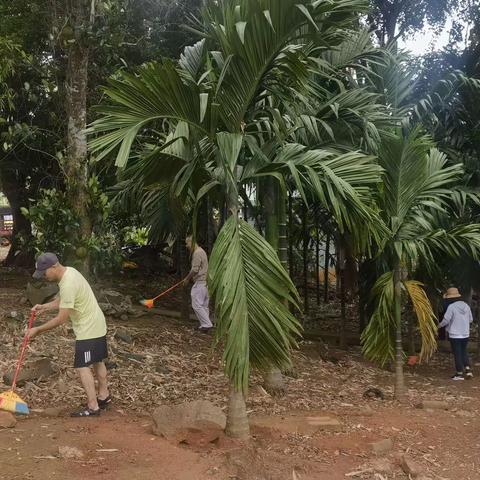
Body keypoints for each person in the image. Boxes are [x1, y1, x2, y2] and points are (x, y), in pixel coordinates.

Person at [26, 252, 111, 416]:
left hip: (88, 330)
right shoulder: (70, 272)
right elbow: (65, 300)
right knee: (97, 360)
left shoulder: (68, 283)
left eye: (44, 272)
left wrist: (37, 329)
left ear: (54, 266)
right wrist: (44, 307)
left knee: (82, 365)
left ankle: (93, 407)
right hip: (97, 324)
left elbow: (61, 319)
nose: (43, 276)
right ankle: (104, 395)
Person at [437, 287, 474, 381]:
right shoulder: (466, 306)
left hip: (455, 334)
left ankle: (459, 374)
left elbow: (446, 320)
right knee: (463, 351)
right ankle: (468, 370)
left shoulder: (451, 307)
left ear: (450, 298)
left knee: (457, 353)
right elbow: (471, 320)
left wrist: (439, 326)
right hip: (465, 333)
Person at [183, 237, 213, 333]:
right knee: (204, 305)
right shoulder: (202, 251)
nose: (186, 246)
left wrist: (187, 279)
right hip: (205, 283)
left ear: (192, 242)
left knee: (196, 304)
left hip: (200, 282)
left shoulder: (197, 253)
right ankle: (204, 326)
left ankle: (207, 324)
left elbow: (195, 269)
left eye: (187, 243)